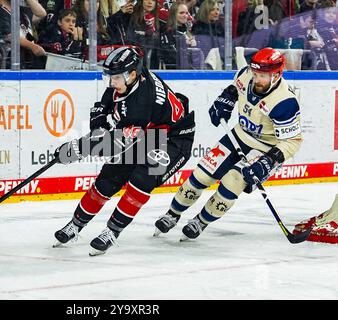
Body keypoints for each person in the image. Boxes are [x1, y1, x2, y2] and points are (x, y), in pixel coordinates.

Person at [52, 47, 196, 255]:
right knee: (109, 176)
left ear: (133, 75)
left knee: (142, 179)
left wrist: (72, 151)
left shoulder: (142, 103)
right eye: (110, 77)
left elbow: (112, 144)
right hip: (151, 132)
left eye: (116, 78)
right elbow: (104, 108)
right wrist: (98, 125)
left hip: (175, 138)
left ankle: (112, 231)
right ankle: (75, 225)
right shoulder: (128, 80)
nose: (112, 83)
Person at [154, 47, 303, 240]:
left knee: (232, 183)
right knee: (200, 176)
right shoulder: (246, 74)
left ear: (276, 75)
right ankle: (172, 214)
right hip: (238, 136)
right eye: (255, 73)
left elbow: (292, 141)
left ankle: (201, 221)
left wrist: (267, 161)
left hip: (265, 148)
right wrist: (224, 101)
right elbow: (235, 89)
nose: (256, 79)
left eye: (262, 76)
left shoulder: (285, 102)